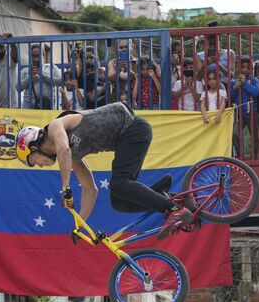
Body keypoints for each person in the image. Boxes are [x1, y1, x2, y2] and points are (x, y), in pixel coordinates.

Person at [14, 102, 193, 240]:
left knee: (120, 184)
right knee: (119, 202)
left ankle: (173, 208)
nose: (38, 165)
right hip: (126, 140)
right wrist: (79, 225)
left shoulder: (55, 126)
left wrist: (66, 188)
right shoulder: (72, 158)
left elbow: (64, 150)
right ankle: (162, 195)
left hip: (132, 129)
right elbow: (90, 189)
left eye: (34, 161)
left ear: (34, 146)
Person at [230, 57, 259, 159]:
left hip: (252, 112)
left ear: (251, 69)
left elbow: (255, 92)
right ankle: (240, 155)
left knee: (254, 136)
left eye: (248, 67)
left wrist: (245, 83)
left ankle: (254, 157)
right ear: (238, 69)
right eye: (243, 67)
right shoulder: (234, 82)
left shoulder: (254, 80)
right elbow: (231, 99)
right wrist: (235, 88)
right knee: (235, 134)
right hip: (239, 113)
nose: (245, 69)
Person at [19, 43, 62, 109]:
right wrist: (29, 78)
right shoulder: (25, 70)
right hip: (28, 105)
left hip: (46, 104)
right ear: (30, 56)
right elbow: (18, 88)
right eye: (34, 56)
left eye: (38, 56)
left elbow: (61, 82)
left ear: (43, 55)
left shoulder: (51, 67)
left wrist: (44, 77)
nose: (36, 58)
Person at [0, 32, 19, 108]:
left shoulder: (10, 58)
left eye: (1, 47)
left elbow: (15, 53)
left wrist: (11, 40)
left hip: (11, 105)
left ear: (6, 47)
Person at [106, 39, 138, 106]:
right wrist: (119, 70)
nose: (124, 49)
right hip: (116, 98)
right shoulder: (112, 62)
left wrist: (128, 69)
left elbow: (137, 78)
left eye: (126, 47)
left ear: (131, 47)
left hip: (133, 98)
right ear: (117, 49)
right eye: (121, 47)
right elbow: (110, 79)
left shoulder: (136, 62)